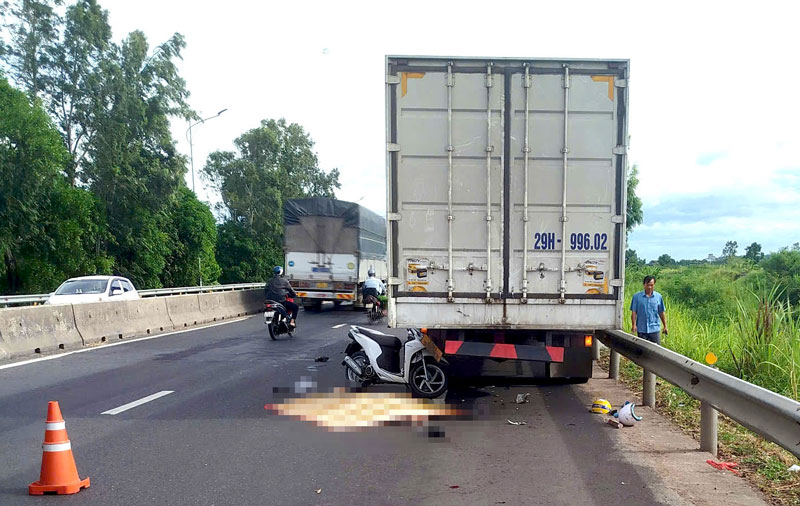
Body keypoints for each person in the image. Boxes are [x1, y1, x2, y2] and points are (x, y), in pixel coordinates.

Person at [630, 275, 668, 344]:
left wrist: (665, 326)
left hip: (654, 328)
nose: (649, 287)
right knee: (642, 350)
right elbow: (634, 312)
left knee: (656, 349)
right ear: (644, 285)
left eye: (652, 285)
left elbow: (661, 312)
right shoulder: (636, 297)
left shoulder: (658, 297)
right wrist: (634, 325)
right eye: (648, 285)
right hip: (642, 329)